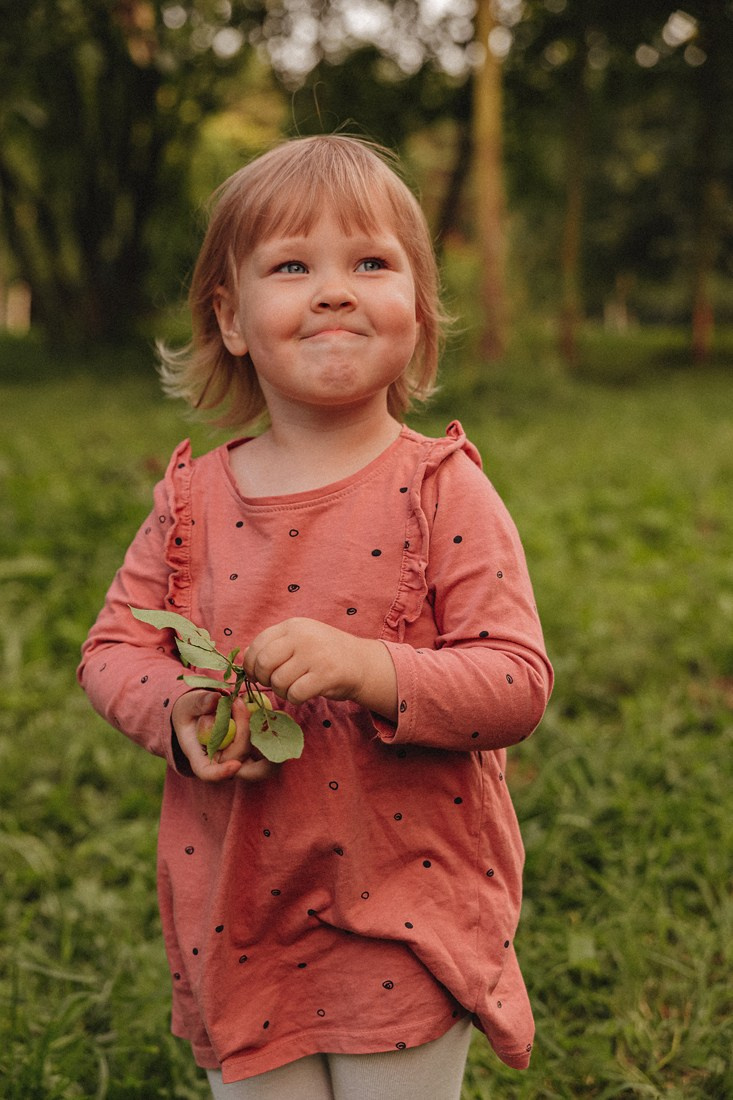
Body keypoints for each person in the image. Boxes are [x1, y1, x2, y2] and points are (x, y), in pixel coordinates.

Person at [78, 134, 553, 1100]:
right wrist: (179, 710)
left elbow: (514, 680)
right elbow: (113, 648)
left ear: (417, 306)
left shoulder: (441, 488)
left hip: (405, 905)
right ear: (231, 317)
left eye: (369, 263)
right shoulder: (190, 501)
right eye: (292, 267)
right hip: (239, 912)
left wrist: (369, 668)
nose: (334, 292)